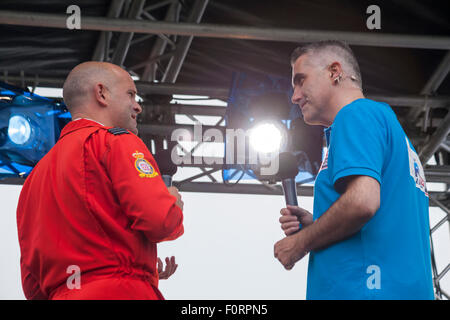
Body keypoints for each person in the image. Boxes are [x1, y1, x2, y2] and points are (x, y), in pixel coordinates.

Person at [274, 40, 434, 300]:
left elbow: (362, 203)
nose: (294, 96)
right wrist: (317, 224)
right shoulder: (383, 121)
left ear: (334, 72)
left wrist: (299, 244)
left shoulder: (354, 115)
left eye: (300, 80)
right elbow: (379, 218)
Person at [16, 61, 184, 300]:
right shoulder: (115, 141)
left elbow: (32, 285)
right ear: (101, 93)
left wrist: (131, 263)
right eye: (131, 94)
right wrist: (172, 201)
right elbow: (161, 221)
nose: (137, 107)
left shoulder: (34, 178)